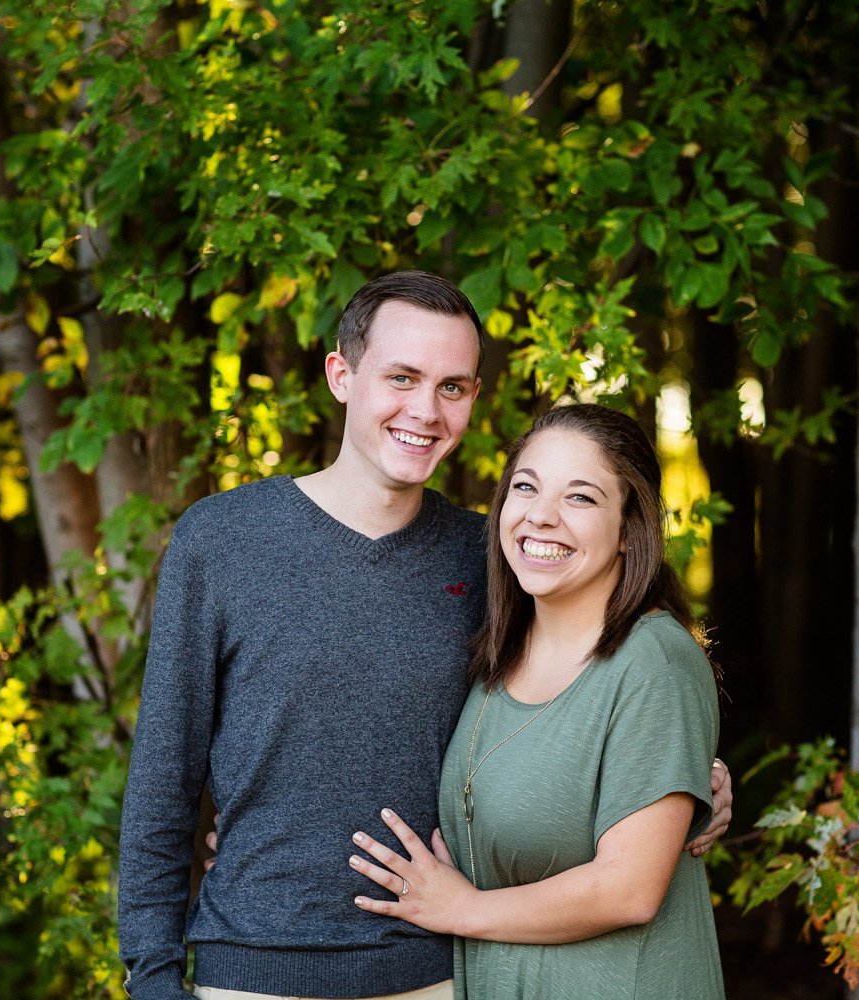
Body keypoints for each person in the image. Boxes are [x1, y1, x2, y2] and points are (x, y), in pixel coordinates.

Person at [118, 272, 730, 1000]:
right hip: (252, 971)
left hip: (438, 976)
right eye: (402, 377)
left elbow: (590, 694)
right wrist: (153, 979)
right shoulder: (222, 542)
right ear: (342, 375)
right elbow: (163, 783)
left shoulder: (495, 561)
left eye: (452, 386)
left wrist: (692, 786)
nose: (425, 410)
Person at [346, 403, 724, 999]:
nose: (541, 516)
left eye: (581, 497)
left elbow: (629, 888)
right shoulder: (498, 646)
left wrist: (462, 909)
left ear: (630, 529)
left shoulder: (654, 662)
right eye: (526, 487)